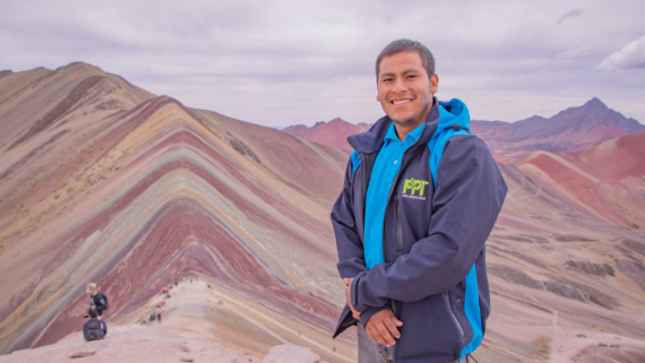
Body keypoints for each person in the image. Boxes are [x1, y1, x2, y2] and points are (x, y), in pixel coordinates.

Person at [331, 39, 507, 363]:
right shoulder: (366, 153)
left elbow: (448, 253)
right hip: (373, 331)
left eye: (410, 76)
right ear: (378, 90)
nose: (399, 88)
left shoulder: (463, 154)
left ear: (434, 83)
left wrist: (363, 291)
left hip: (434, 344)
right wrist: (369, 305)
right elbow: (345, 223)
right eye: (388, 79)